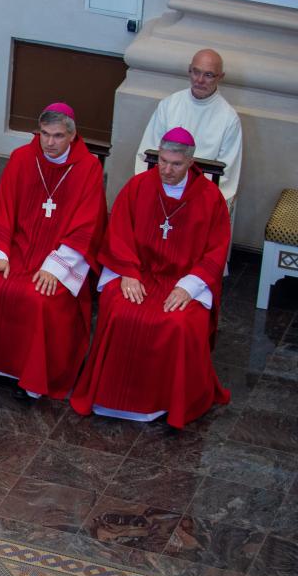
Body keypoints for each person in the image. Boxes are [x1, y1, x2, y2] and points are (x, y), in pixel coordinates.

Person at [71, 127, 230, 427]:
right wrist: (128, 272)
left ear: (190, 162)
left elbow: (216, 250)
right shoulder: (138, 186)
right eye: (163, 161)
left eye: (176, 164)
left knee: (178, 322)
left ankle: (170, 402)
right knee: (119, 310)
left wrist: (188, 287)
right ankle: (109, 397)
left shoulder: (210, 198)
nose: (167, 170)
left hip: (183, 280)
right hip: (139, 273)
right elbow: (118, 232)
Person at [0, 103, 106, 399]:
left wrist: (55, 268)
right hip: (17, 250)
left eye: (58, 136)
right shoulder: (22, 158)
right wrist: (0, 254)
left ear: (72, 136)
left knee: (39, 297)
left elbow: (88, 225)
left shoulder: (88, 168)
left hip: (59, 255)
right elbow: (4, 210)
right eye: (44, 134)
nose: (49, 142)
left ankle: (31, 379)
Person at [135, 48, 242, 207]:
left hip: (200, 199)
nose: (200, 80)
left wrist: (192, 198)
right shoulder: (169, 105)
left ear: (220, 77)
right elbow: (147, 154)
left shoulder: (229, 119)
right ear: (189, 70)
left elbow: (226, 174)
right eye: (196, 72)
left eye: (208, 75)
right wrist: (154, 190)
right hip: (161, 191)